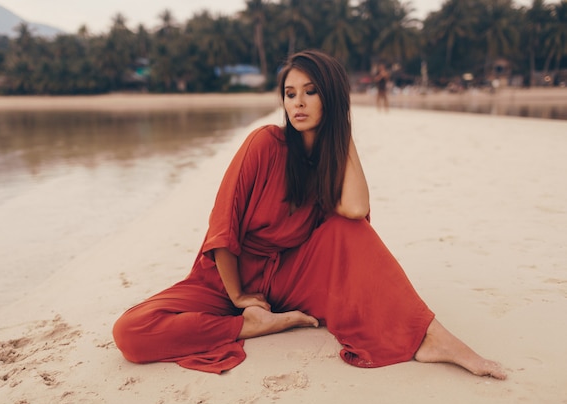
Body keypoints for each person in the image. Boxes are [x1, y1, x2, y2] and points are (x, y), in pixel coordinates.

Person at [112, 50, 506, 380]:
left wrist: (343, 127)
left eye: (311, 92)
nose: (297, 103)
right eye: (289, 93)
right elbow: (222, 228)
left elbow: (354, 210)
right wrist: (239, 298)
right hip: (224, 279)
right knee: (129, 332)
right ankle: (253, 325)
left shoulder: (327, 163)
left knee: (347, 230)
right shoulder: (264, 143)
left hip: (288, 279)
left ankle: (433, 337)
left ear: (331, 98)